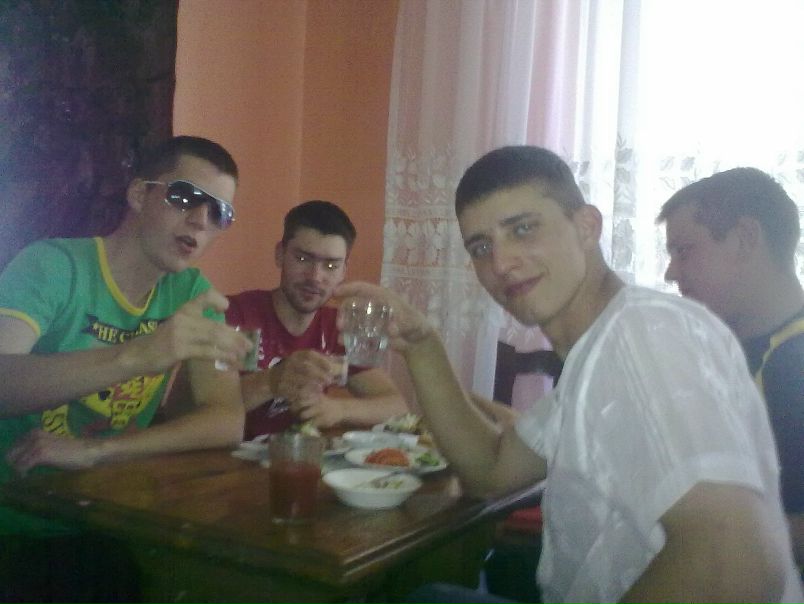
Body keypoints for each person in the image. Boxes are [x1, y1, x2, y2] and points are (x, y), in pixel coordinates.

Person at [338, 146, 803, 603]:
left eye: (522, 229)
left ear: (587, 227)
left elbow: (736, 565)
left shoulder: (643, 333)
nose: (500, 264)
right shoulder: (595, 354)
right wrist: (422, 346)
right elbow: (492, 470)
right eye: (481, 247)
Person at [0, 135, 252, 600]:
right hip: (15, 521)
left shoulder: (190, 291)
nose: (201, 220)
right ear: (139, 194)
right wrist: (139, 355)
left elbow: (225, 419)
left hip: (105, 517)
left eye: (219, 213)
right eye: (185, 197)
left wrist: (98, 451)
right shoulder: (53, 266)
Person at [658, 167, 804, 565]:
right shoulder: (718, 347)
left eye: (684, 250)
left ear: (744, 239)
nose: (671, 273)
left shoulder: (793, 364)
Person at [225, 200, 407, 438]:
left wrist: (339, 410)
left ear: (343, 271)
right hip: (231, 456)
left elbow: (397, 406)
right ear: (280, 255)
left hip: (304, 454)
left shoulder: (337, 327)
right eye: (303, 259)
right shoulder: (240, 315)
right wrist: (272, 381)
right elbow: (206, 409)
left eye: (331, 265)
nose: (315, 277)